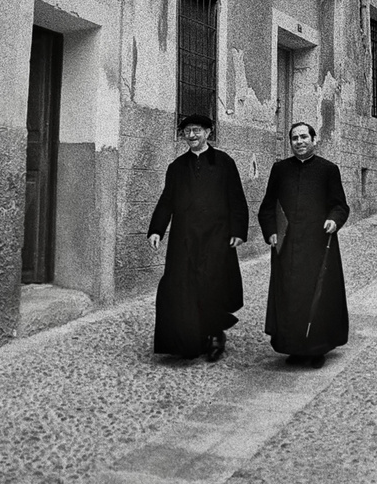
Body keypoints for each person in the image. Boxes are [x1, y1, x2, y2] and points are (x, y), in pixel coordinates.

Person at [147, 114, 249, 362]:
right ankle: (187, 339)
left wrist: (238, 231)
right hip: (185, 240)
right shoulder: (177, 167)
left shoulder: (224, 163)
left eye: (196, 131)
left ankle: (215, 335)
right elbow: (166, 201)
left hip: (217, 238)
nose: (191, 136)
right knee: (181, 287)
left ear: (208, 132)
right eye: (187, 132)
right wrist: (156, 229)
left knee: (212, 287)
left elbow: (236, 198)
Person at [257, 122, 349, 369]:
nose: (299, 141)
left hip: (318, 244)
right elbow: (267, 207)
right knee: (289, 297)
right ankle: (293, 347)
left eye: (304, 137)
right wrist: (270, 233)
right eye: (295, 138)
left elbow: (340, 205)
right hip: (287, 245)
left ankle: (317, 349)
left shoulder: (328, 170)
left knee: (317, 295)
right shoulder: (280, 170)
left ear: (314, 139)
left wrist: (334, 220)